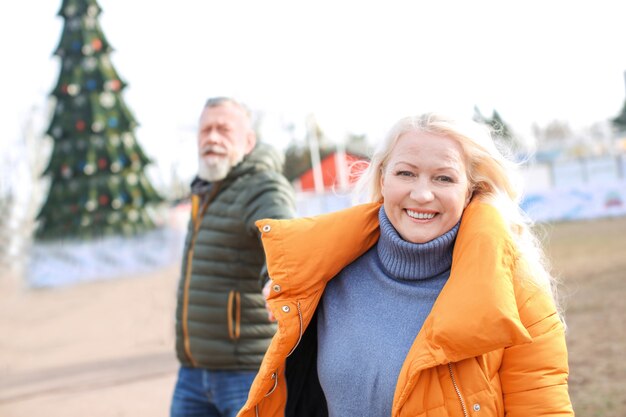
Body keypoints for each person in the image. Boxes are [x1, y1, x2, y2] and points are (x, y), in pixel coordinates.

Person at [238, 112, 574, 417]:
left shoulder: (518, 293)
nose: (422, 194)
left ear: (471, 190)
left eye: (444, 178)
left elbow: (542, 408)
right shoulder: (327, 274)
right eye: (406, 173)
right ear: (383, 178)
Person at [170, 97, 296, 417]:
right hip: (192, 373)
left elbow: (280, 234)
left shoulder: (262, 184)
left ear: (249, 141)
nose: (212, 137)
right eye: (205, 130)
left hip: (245, 373)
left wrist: (276, 280)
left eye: (224, 129)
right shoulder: (206, 189)